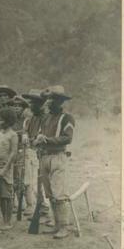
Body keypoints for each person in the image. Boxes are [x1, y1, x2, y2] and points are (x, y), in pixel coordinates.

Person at [33, 86, 75, 239]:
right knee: (49, 192)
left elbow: (68, 138)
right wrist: (38, 140)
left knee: (59, 193)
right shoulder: (45, 118)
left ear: (61, 101)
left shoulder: (67, 118)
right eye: (49, 98)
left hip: (58, 156)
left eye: (54, 99)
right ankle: (57, 224)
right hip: (44, 157)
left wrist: (48, 140)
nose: (50, 101)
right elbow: (39, 134)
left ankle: (64, 226)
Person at [22, 89, 50, 217]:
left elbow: (43, 137)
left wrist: (34, 140)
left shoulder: (46, 118)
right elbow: (26, 131)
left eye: (33, 103)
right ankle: (40, 207)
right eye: (30, 103)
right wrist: (25, 135)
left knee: (43, 184)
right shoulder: (31, 119)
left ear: (40, 103)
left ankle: (45, 209)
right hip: (32, 154)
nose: (30, 105)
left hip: (44, 155)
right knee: (33, 183)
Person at [0, 107, 18, 231]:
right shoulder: (0, 133)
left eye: (1, 120)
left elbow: (13, 153)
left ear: (8, 121)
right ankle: (4, 219)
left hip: (5, 168)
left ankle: (8, 221)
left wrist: (5, 169)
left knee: (7, 195)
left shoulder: (13, 135)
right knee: (1, 195)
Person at [11, 96, 34, 215]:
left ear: (23, 108)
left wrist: (20, 134)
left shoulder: (27, 120)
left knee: (25, 178)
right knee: (15, 178)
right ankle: (19, 203)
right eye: (14, 106)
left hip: (24, 150)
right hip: (12, 151)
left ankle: (30, 204)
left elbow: (29, 135)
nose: (16, 108)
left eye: (19, 106)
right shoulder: (10, 120)